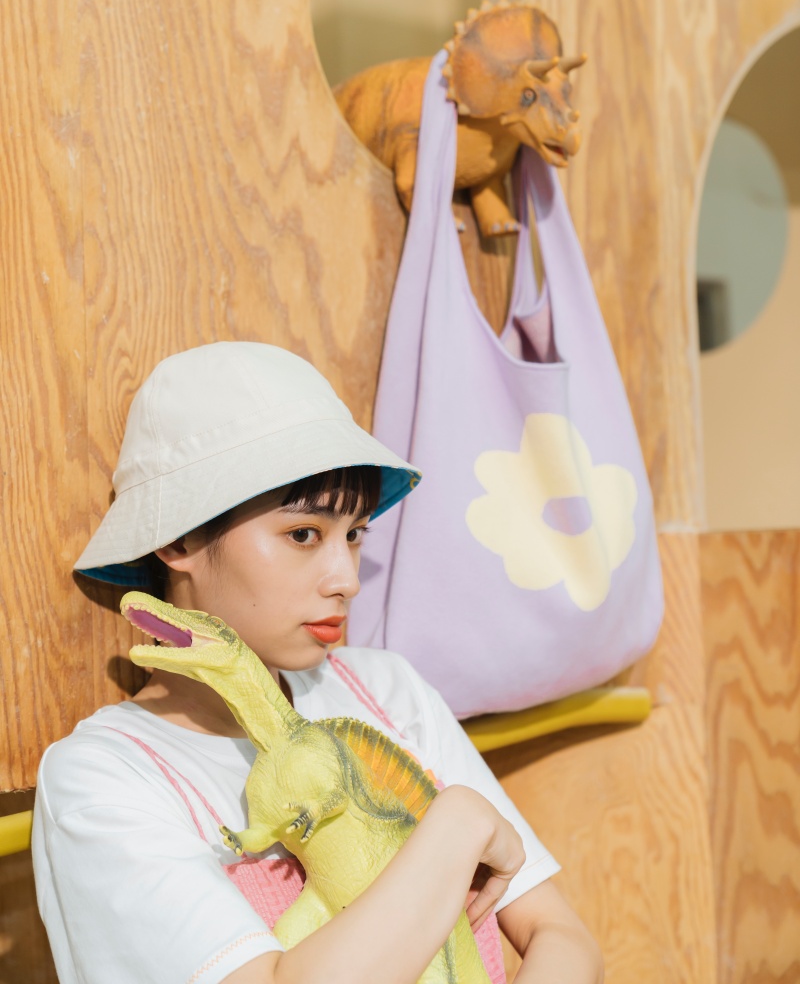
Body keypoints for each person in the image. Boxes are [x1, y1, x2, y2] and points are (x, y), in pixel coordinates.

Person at [32, 341, 603, 984]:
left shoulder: (386, 692)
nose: (346, 579)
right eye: (303, 534)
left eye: (354, 534)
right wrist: (458, 823)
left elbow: (562, 937)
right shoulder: (107, 779)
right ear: (180, 537)